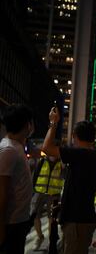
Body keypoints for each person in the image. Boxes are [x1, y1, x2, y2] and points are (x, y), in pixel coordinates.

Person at [42, 107, 96, 254]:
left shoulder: (80, 153)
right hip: (80, 218)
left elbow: (47, 148)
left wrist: (53, 123)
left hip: (78, 221)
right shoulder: (90, 155)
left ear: (74, 136)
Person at [0, 104, 34, 253]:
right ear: (27, 125)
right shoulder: (9, 150)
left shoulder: (17, 146)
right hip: (10, 224)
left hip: (18, 221)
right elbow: (2, 191)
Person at [31, 154, 64, 250]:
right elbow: (35, 176)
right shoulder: (42, 161)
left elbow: (65, 177)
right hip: (39, 191)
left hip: (54, 194)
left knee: (52, 218)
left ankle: (51, 241)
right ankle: (40, 237)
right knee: (34, 215)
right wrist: (33, 191)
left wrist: (63, 167)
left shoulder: (61, 163)